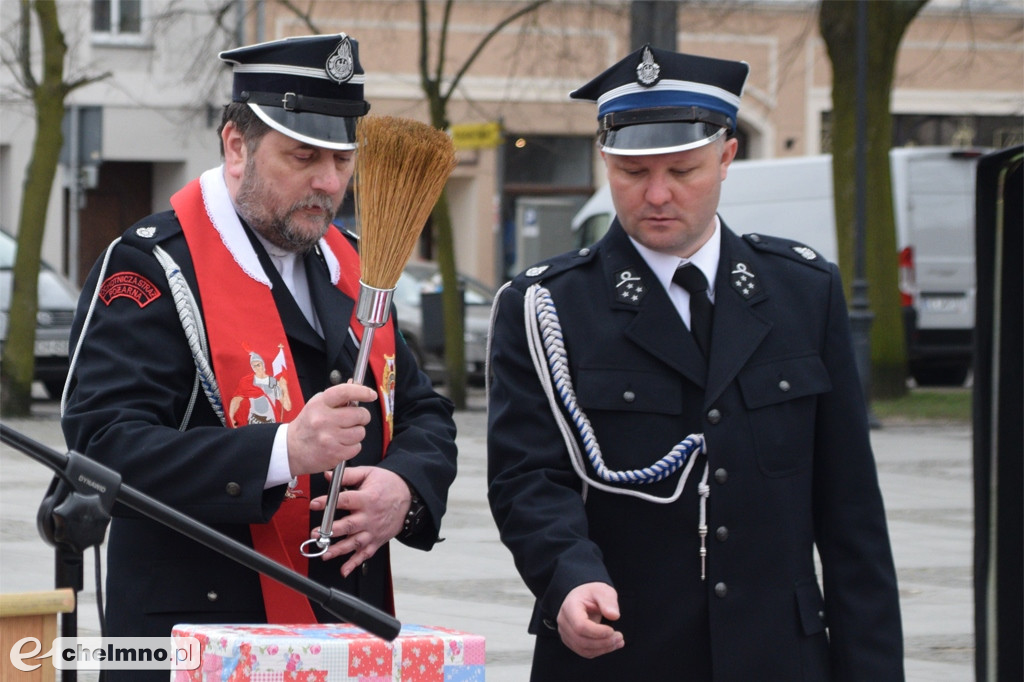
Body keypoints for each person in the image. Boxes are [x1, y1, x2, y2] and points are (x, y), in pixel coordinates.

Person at [486, 44, 904, 680]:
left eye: (682, 170)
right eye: (632, 172)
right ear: (605, 160)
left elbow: (852, 516)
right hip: (619, 654)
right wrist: (567, 577)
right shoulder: (548, 306)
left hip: (778, 658)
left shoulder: (802, 291)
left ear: (727, 156)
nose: (657, 194)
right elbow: (527, 478)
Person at [60, 33, 457, 662]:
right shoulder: (153, 264)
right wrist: (283, 450)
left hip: (345, 625)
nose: (328, 182)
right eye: (303, 156)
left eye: (343, 160)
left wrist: (404, 487)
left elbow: (422, 411)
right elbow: (102, 445)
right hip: (202, 634)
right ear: (237, 146)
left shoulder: (353, 261)